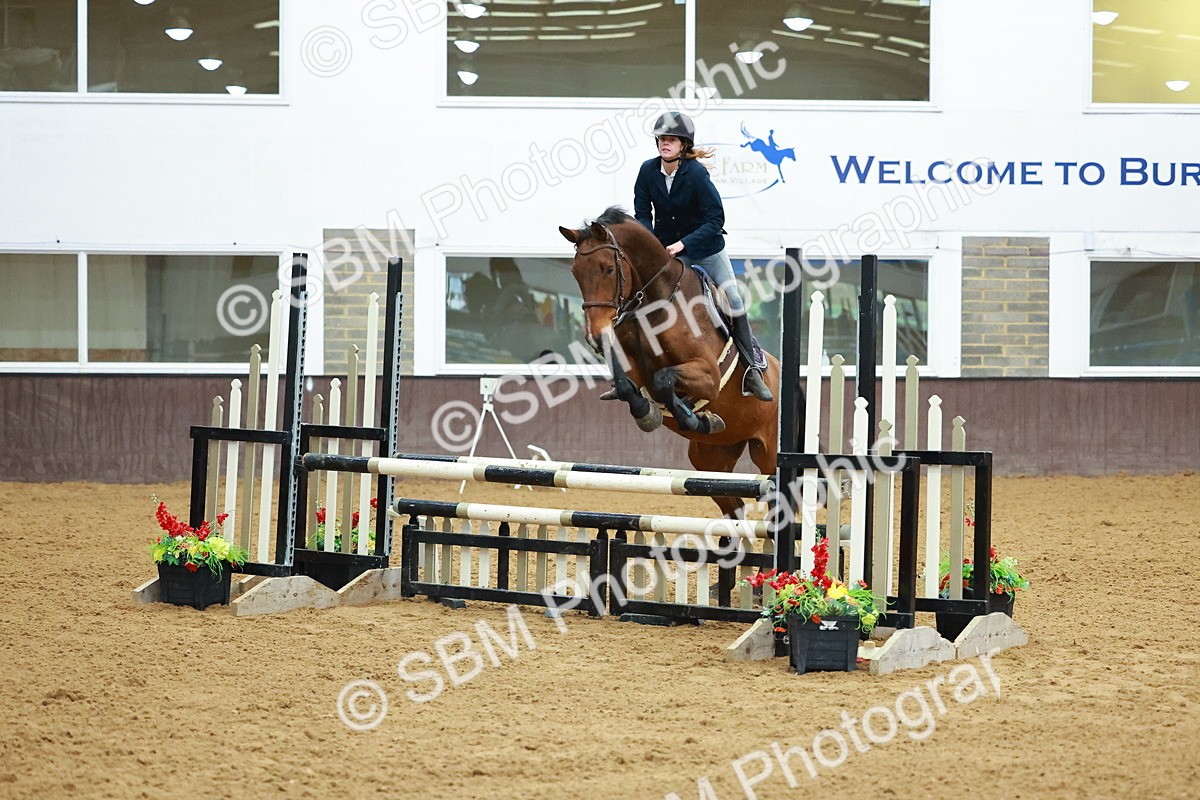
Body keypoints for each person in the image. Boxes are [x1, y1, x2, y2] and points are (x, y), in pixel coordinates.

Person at [621, 111, 773, 402]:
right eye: (662, 139)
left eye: (671, 139)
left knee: (734, 299)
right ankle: (631, 371)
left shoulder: (697, 174)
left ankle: (752, 368)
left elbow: (715, 220)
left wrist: (683, 244)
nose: (665, 143)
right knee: (642, 296)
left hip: (706, 251)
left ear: (683, 145)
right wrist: (652, 244)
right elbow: (642, 214)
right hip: (668, 251)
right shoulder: (647, 170)